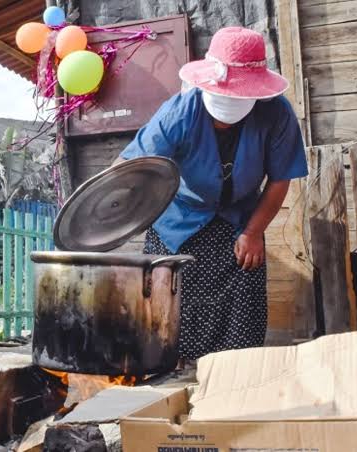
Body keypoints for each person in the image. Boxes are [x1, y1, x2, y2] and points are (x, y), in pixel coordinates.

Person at [114, 27, 308, 367]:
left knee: (242, 305)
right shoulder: (179, 112)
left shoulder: (276, 114)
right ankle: (175, 380)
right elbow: (132, 166)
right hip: (178, 221)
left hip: (240, 221)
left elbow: (280, 180)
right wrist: (108, 202)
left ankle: (234, 379)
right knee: (171, 307)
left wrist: (253, 232)